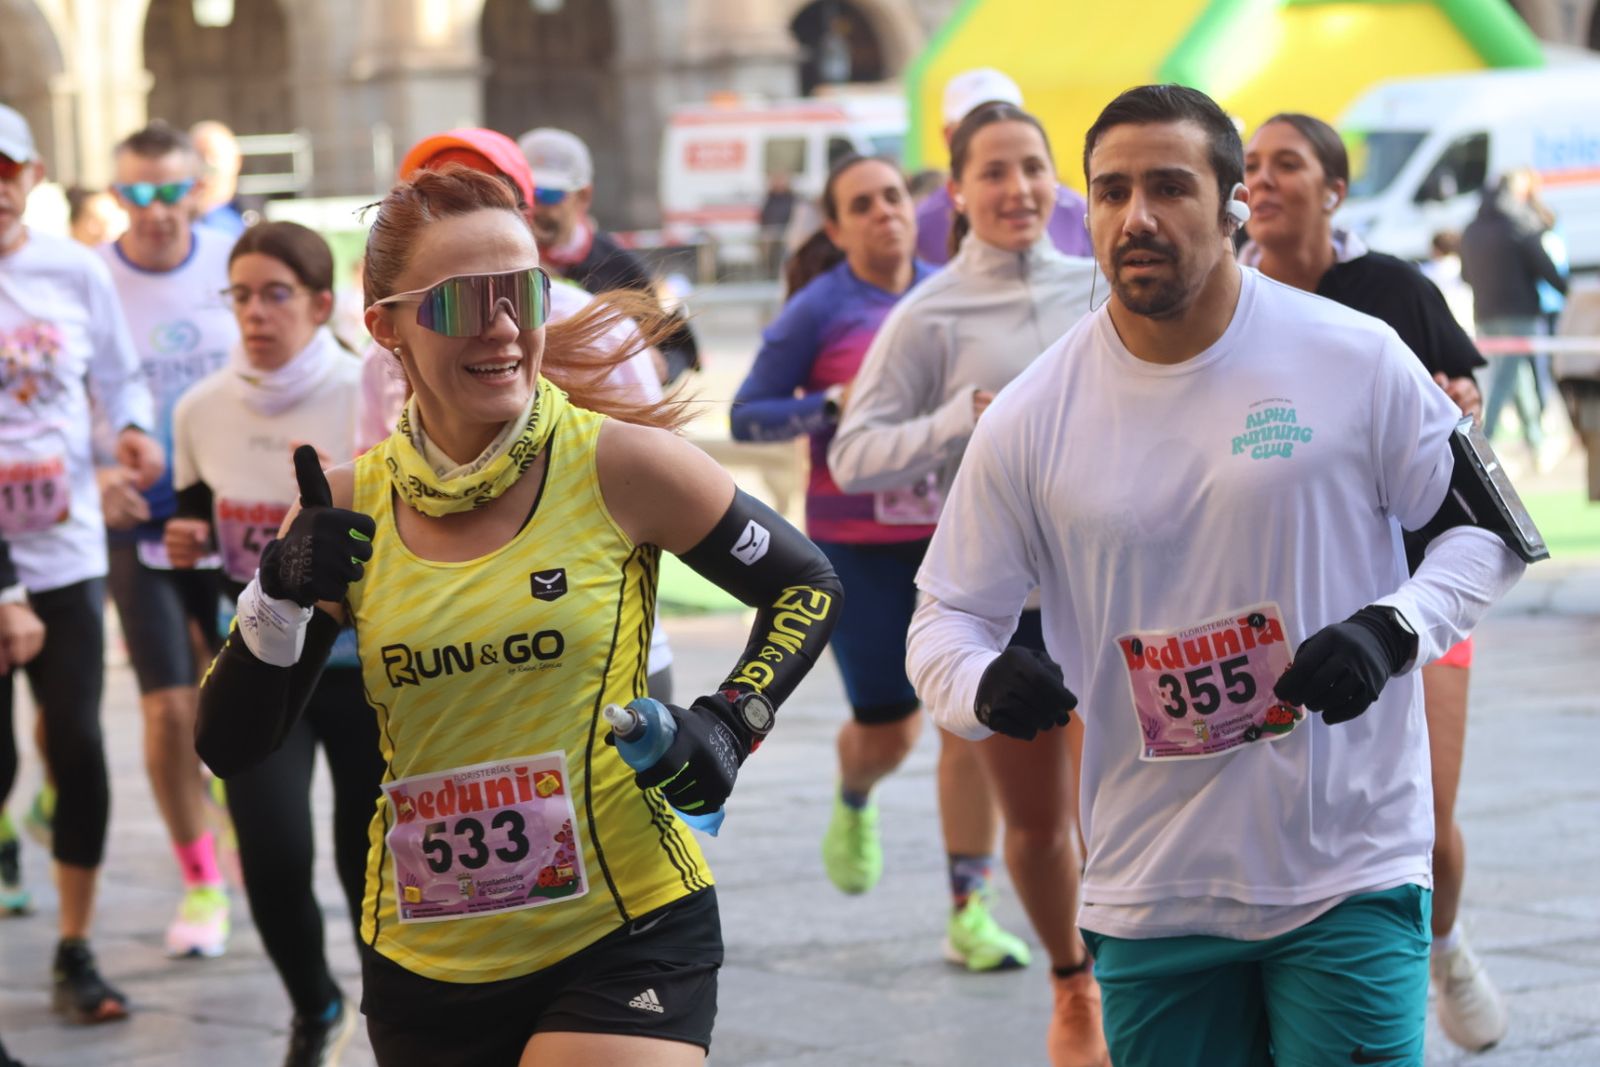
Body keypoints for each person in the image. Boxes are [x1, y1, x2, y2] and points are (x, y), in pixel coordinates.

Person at [906, 84, 1532, 1067]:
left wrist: (1390, 627)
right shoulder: (1031, 413)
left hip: (1346, 862)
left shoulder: (1354, 355)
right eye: (1110, 192)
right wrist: (978, 679)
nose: (1136, 216)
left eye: (1168, 186)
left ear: (1232, 200)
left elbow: (1487, 532)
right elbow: (945, 611)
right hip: (1150, 884)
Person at [194, 164, 841, 1066]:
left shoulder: (624, 466)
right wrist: (277, 593)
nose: (502, 327)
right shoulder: (343, 505)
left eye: (523, 293)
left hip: (625, 925)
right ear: (387, 328)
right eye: (463, 302)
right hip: (426, 954)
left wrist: (731, 723)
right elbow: (231, 743)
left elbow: (807, 585)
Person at [827, 104, 1105, 1067]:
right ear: (958, 192)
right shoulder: (929, 314)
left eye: (1033, 167)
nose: (1017, 189)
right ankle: (1071, 982)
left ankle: (1134, 974)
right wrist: (957, 419)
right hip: (1007, 608)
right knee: (1036, 827)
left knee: (1124, 806)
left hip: (1123, 595)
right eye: (994, 172)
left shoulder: (1102, 285)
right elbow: (856, 452)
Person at [731, 153, 1036, 976]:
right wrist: (828, 406)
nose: (885, 214)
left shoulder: (952, 292)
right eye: (861, 205)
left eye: (895, 196)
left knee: (966, 721)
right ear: (835, 227)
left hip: (956, 534)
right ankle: (856, 788)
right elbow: (747, 413)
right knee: (887, 729)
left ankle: (968, 908)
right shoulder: (818, 310)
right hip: (857, 551)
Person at [1241, 111, 1506, 1054]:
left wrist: (1462, 408)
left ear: (1336, 189)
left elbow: (1467, 426)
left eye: (1287, 164)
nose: (1263, 181)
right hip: (1289, 594)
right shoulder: (1227, 303)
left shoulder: (1391, 288)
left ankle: (1442, 942)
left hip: (1419, 580)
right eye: (1250, 166)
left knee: (1427, 812)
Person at [355, 127, 676, 700]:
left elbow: (667, 467)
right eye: (437, 188)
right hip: (443, 658)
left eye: (487, 187)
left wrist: (727, 722)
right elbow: (371, 498)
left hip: (603, 655)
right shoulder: (381, 357)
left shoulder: (594, 323)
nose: (502, 329)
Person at [163, 221, 381, 1066]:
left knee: (369, 862)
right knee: (275, 855)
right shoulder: (198, 409)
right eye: (241, 294)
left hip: (362, 669)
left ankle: (392, 1017)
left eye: (277, 294)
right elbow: (191, 540)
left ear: (323, 303)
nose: (256, 313)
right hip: (262, 663)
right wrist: (190, 568)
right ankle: (313, 1005)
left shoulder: (366, 389)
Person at [0, 101, 162, 1023]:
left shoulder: (72, 269)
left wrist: (131, 430)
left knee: (79, 748)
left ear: (30, 175)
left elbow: (117, 371)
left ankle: (76, 945)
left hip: (63, 550)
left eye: (5, 169)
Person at [98, 119, 240, 958]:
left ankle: (241, 825)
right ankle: (200, 877)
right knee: (166, 708)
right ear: (116, 196)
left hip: (227, 521)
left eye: (171, 190)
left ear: (197, 188)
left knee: (233, 701)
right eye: (136, 193)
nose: (155, 210)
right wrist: (98, 475)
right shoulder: (92, 276)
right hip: (134, 518)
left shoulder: (235, 265)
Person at [519, 127, 700, 384]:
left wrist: (660, 365)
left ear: (583, 197)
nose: (535, 207)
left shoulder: (619, 265)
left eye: (548, 194)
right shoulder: (501, 261)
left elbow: (677, 345)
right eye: (526, 192)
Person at [914, 69, 1090, 266]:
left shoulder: (1077, 211)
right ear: (949, 136)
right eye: (993, 174)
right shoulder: (922, 224)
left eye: (1009, 114)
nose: (1019, 189)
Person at [1460, 169, 1567, 464]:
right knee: (1507, 379)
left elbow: (1465, 275)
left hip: (1485, 312)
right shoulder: (1519, 223)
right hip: (1518, 313)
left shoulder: (1471, 228)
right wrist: (1565, 290)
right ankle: (1487, 441)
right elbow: (1544, 266)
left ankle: (1535, 440)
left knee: (1514, 376)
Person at [189, 120, 250, 237]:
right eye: (200, 156)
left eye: (214, 156)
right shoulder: (176, 214)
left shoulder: (251, 213)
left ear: (237, 160)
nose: (207, 163)